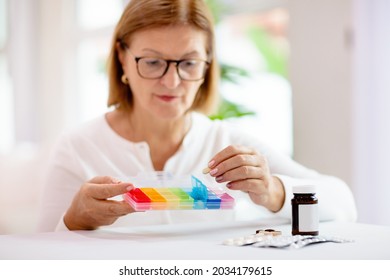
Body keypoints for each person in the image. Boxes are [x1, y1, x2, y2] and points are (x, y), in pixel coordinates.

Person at [37, 0, 357, 232]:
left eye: (188, 63)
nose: (172, 82)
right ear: (122, 58)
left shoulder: (226, 142)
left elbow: (344, 205)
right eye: (152, 62)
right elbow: (37, 258)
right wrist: (73, 221)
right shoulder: (77, 147)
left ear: (207, 65)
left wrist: (273, 190)